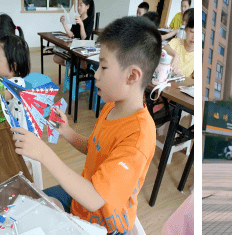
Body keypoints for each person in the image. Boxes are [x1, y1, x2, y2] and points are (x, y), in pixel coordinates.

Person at [10, 16, 161, 234]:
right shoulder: (112, 106)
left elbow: (95, 199)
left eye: (104, 67)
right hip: (82, 198)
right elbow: (95, 148)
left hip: (105, 223)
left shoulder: (139, 137)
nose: (96, 74)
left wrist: (44, 153)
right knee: (30, 206)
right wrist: (68, 132)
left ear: (132, 76)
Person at [53, 0, 95, 66]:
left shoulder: (90, 20)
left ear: (87, 6)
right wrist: (63, 24)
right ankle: (72, 68)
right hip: (74, 48)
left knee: (82, 64)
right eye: (78, 5)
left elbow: (84, 38)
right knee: (56, 58)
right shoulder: (76, 18)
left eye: (81, 5)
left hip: (82, 49)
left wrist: (81, 24)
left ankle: (74, 70)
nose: (78, 7)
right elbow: (71, 34)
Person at [163, 8, 194, 77]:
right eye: (192, 32)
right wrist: (175, 54)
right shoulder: (177, 42)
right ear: (186, 29)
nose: (194, 37)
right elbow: (165, 47)